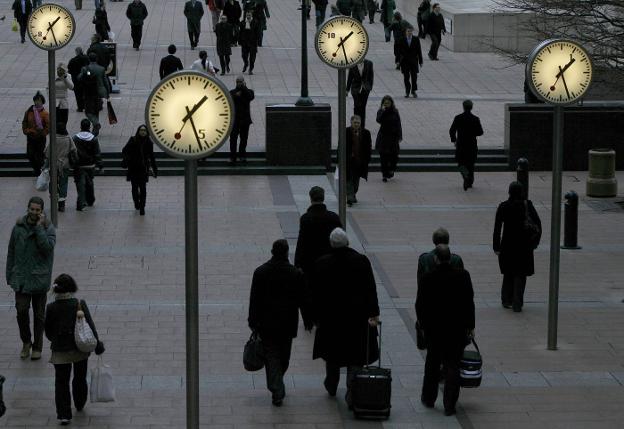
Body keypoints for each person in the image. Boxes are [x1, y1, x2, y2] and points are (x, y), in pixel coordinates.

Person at [311, 228, 380, 408]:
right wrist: (374, 313)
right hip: (356, 318)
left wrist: (314, 316)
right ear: (347, 242)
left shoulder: (321, 263)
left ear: (331, 244)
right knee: (355, 356)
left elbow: (315, 293)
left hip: (331, 319)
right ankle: (353, 388)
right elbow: (370, 289)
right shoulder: (361, 261)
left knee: (333, 354)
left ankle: (331, 383)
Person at [248, 239, 312, 406]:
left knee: (274, 357)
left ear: (272, 252)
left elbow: (254, 299)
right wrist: (307, 319)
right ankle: (277, 388)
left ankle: (276, 382)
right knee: (283, 357)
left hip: (266, 323)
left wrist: (253, 321)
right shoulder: (295, 274)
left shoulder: (260, 272)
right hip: (286, 324)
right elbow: (303, 299)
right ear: (286, 252)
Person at [416, 244, 475, 416]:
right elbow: (469, 302)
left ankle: (429, 397)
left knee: (432, 364)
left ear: (435, 259)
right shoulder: (463, 276)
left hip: (435, 330)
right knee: (453, 365)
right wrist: (470, 325)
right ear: (450, 258)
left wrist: (423, 325)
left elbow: (420, 305)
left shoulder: (428, 278)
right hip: (456, 329)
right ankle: (450, 404)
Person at [45, 274, 105, 426]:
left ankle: (64, 414)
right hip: (80, 348)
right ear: (73, 288)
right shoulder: (79, 303)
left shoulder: (51, 307)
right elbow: (90, 325)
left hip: (60, 350)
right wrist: (98, 344)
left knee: (61, 381)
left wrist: (57, 339)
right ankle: (79, 402)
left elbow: (48, 331)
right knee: (79, 377)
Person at [6, 196, 56, 361]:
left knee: (39, 315)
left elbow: (47, 249)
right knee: (21, 311)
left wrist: (39, 228)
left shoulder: (48, 228)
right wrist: (10, 274)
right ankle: (26, 342)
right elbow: (11, 251)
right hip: (20, 278)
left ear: (42, 212)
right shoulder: (18, 227)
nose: (34, 212)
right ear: (27, 208)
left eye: (37, 210)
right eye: (32, 209)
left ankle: (38, 347)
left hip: (39, 279)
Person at [493, 181, 542, 312]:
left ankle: (506, 300)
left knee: (508, 273)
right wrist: (535, 243)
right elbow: (538, 223)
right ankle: (517, 302)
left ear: (509, 192)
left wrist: (496, 247)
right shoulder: (527, 205)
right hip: (524, 246)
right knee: (520, 274)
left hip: (507, 245)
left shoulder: (503, 206)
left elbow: (497, 228)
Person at [294, 186, 342, 276]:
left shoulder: (306, 218)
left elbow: (302, 242)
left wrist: (298, 264)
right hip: (330, 262)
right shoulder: (333, 217)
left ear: (311, 198)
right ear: (323, 198)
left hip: (310, 263)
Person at [121, 125, 158, 216]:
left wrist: (155, 169)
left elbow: (152, 156)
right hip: (133, 168)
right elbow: (124, 150)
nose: (142, 132)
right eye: (141, 130)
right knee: (134, 188)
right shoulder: (133, 140)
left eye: (144, 130)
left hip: (143, 169)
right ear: (138, 131)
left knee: (143, 189)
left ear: (147, 132)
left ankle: (142, 207)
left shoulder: (149, 143)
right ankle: (136, 203)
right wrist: (128, 158)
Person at [449, 99, 484, 191]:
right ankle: (470, 180)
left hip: (461, 144)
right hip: (471, 144)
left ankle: (465, 176)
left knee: (461, 163)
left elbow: (452, 130)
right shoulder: (475, 119)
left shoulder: (458, 118)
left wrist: (454, 140)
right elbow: (480, 132)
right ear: (471, 107)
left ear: (463, 107)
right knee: (470, 164)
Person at [44, 123, 76, 212]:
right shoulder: (68, 138)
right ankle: (62, 202)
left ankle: (54, 197)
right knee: (63, 183)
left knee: (53, 182)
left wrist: (45, 165)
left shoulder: (54, 139)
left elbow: (47, 153)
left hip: (54, 164)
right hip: (65, 164)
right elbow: (74, 150)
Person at [72, 119, 103, 211]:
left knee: (80, 184)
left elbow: (72, 152)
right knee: (89, 183)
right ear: (89, 127)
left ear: (81, 126)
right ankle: (90, 199)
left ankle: (81, 202)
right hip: (90, 165)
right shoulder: (93, 138)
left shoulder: (75, 138)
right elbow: (97, 153)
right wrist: (100, 165)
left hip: (79, 165)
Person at [78, 53, 111, 137]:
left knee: (88, 111)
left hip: (88, 92)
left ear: (89, 59)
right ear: (96, 59)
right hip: (99, 92)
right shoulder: (101, 69)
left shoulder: (85, 68)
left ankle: (96, 123)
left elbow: (79, 78)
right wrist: (107, 92)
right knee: (96, 110)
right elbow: (105, 81)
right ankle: (95, 129)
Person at [345, 115, 371, 206]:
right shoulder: (346, 132)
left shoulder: (366, 133)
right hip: (348, 161)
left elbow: (368, 147)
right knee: (348, 179)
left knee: (356, 182)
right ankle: (350, 197)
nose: (356, 124)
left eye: (358, 123)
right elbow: (341, 145)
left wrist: (367, 159)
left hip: (359, 161)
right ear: (351, 122)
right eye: (355, 122)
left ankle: (353, 193)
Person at [22, 92, 49, 176]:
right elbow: (24, 122)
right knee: (30, 154)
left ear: (42, 102)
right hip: (31, 136)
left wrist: (43, 133)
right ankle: (37, 169)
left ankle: (39, 170)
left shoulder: (45, 114)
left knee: (39, 155)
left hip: (40, 138)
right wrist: (26, 131)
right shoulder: (29, 111)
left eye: (39, 101)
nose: (37, 102)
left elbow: (48, 126)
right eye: (36, 100)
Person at [375, 95, 401, 182]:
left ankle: (391, 170)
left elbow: (398, 124)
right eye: (385, 103)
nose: (386, 104)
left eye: (388, 103)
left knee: (394, 156)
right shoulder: (381, 111)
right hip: (383, 137)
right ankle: (384, 175)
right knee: (383, 157)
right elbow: (378, 120)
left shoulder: (395, 112)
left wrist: (399, 135)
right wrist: (383, 111)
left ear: (391, 103)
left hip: (393, 137)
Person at [229, 76, 254, 164]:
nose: (239, 83)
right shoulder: (232, 92)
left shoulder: (249, 92)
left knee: (244, 139)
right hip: (235, 120)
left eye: (241, 82)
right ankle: (233, 157)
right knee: (233, 139)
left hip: (245, 120)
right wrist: (236, 95)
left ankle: (242, 155)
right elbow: (229, 99)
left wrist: (244, 88)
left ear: (244, 82)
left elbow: (250, 97)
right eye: (238, 82)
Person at [346, 59, 374, 128]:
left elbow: (371, 75)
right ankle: (355, 123)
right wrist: (347, 89)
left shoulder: (369, 63)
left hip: (365, 89)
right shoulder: (353, 65)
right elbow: (350, 77)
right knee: (357, 106)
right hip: (356, 89)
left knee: (363, 107)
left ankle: (362, 125)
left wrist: (369, 87)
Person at [398, 27, 423, 98]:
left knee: (414, 77)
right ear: (405, 32)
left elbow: (419, 50)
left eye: (411, 31)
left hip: (413, 61)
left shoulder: (416, 39)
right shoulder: (402, 40)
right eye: (408, 31)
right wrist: (398, 61)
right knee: (406, 77)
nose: (409, 33)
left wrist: (421, 61)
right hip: (405, 62)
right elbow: (399, 51)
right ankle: (407, 90)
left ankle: (413, 90)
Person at [67, 48, 90, 113]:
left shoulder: (73, 60)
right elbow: (89, 69)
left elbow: (69, 70)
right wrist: (89, 75)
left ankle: (80, 107)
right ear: (82, 51)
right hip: (85, 79)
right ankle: (86, 106)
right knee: (86, 93)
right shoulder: (86, 58)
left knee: (78, 94)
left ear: (76, 52)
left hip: (76, 80)